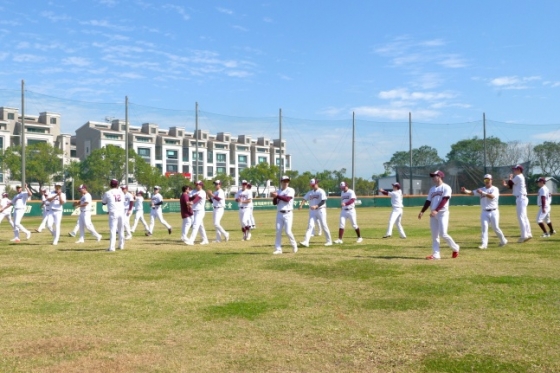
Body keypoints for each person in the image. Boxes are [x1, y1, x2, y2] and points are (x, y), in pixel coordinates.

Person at [418, 170, 460, 260]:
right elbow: (428, 201)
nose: (433, 177)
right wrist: (422, 211)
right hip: (433, 214)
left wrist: (437, 210)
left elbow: (445, 200)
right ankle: (436, 254)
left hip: (443, 213)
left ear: (440, 176)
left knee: (443, 234)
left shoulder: (446, 187)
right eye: (432, 176)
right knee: (434, 235)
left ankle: (455, 248)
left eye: (434, 176)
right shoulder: (432, 189)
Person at [460, 174, 507, 249]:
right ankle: (484, 244)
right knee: (484, 228)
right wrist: (465, 190)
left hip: (494, 211)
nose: (487, 181)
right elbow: (472, 192)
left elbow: (492, 196)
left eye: (488, 180)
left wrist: (482, 193)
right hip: (484, 211)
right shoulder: (482, 189)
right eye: (485, 180)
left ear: (492, 180)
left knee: (495, 228)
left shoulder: (495, 189)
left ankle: (503, 240)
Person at [298, 178, 333, 247]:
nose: (312, 186)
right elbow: (304, 199)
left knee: (324, 225)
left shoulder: (321, 191)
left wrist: (316, 206)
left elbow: (323, 201)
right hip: (312, 211)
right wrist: (301, 205)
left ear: (317, 183)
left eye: (313, 185)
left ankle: (329, 241)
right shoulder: (310, 192)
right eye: (311, 185)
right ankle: (306, 241)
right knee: (310, 225)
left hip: (321, 210)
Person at [502, 164, 532, 243]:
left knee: (521, 217)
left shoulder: (518, 176)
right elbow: (511, 186)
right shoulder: (519, 177)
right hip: (522, 198)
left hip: (521, 198)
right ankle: (528, 233)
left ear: (519, 170)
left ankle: (524, 235)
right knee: (524, 217)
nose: (514, 170)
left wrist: (510, 178)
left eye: (515, 169)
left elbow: (511, 183)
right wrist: (506, 185)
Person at [271, 175, 298, 254]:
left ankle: (294, 245)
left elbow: (287, 199)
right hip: (279, 213)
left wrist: (277, 195)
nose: (286, 183)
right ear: (281, 182)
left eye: (287, 181)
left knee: (288, 231)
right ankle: (278, 249)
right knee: (278, 231)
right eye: (284, 181)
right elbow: (274, 203)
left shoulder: (290, 190)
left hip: (288, 213)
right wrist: (274, 197)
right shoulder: (278, 191)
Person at [101, 179, 125, 251]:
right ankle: (121, 245)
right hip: (121, 212)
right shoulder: (121, 193)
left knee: (113, 230)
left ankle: (112, 247)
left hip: (113, 212)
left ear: (110, 185)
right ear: (117, 185)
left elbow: (103, 202)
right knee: (121, 229)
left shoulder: (108, 193)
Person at [185, 180, 209, 245]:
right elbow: (189, 197)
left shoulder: (202, 192)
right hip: (194, 211)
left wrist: (191, 202)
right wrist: (190, 199)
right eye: (196, 184)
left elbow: (196, 199)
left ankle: (191, 241)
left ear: (201, 185)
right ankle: (205, 240)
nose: (196, 185)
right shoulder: (193, 191)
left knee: (195, 225)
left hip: (200, 211)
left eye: (198, 184)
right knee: (200, 226)